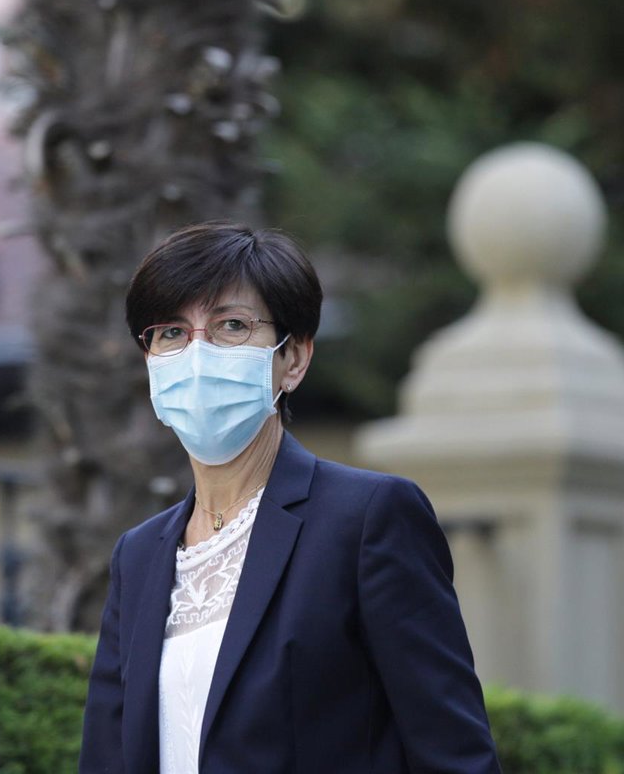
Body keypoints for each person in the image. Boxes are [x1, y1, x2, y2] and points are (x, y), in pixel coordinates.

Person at [80, 221, 501, 774]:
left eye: (232, 325)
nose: (197, 354)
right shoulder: (138, 556)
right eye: (172, 333)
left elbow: (454, 754)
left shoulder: (366, 519)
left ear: (294, 359)